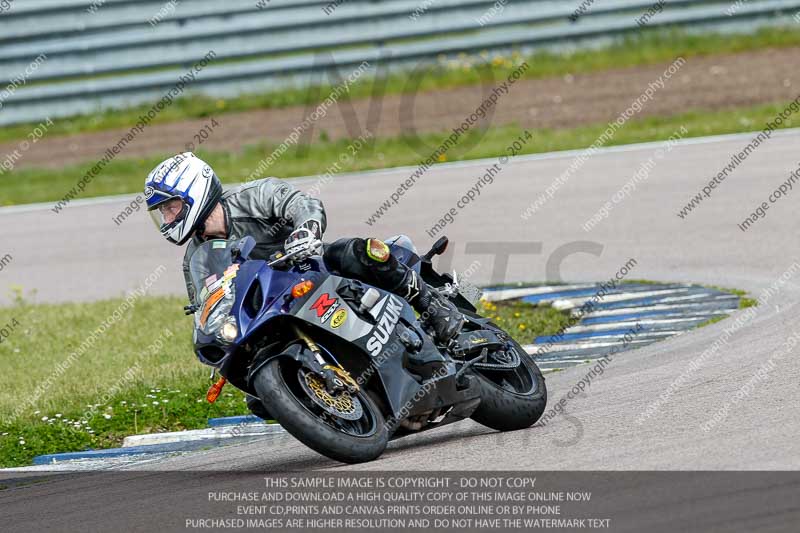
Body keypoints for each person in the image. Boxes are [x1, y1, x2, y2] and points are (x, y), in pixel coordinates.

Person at [144, 152, 464, 346]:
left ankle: (432, 303)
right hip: (273, 305)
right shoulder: (195, 260)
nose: (167, 217)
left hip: (311, 267)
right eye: (162, 212)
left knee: (357, 251)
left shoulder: (253, 196)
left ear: (192, 191)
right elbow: (205, 306)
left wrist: (306, 229)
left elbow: (301, 204)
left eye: (170, 207)